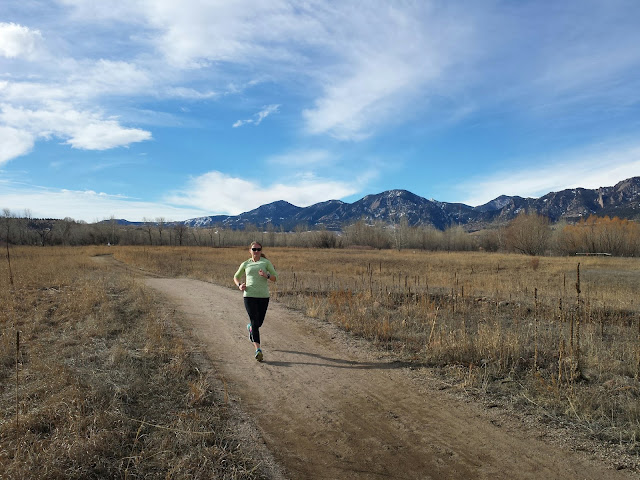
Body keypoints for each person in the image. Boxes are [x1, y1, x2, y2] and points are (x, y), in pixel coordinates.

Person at [233, 241, 277, 362]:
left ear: (261, 251)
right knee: (254, 321)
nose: (256, 252)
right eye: (254, 249)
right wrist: (240, 285)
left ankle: (251, 328)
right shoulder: (246, 264)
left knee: (259, 323)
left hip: (263, 297)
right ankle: (258, 350)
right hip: (249, 296)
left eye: (258, 249)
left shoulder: (266, 262)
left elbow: (275, 277)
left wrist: (266, 275)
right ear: (250, 251)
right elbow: (236, 276)